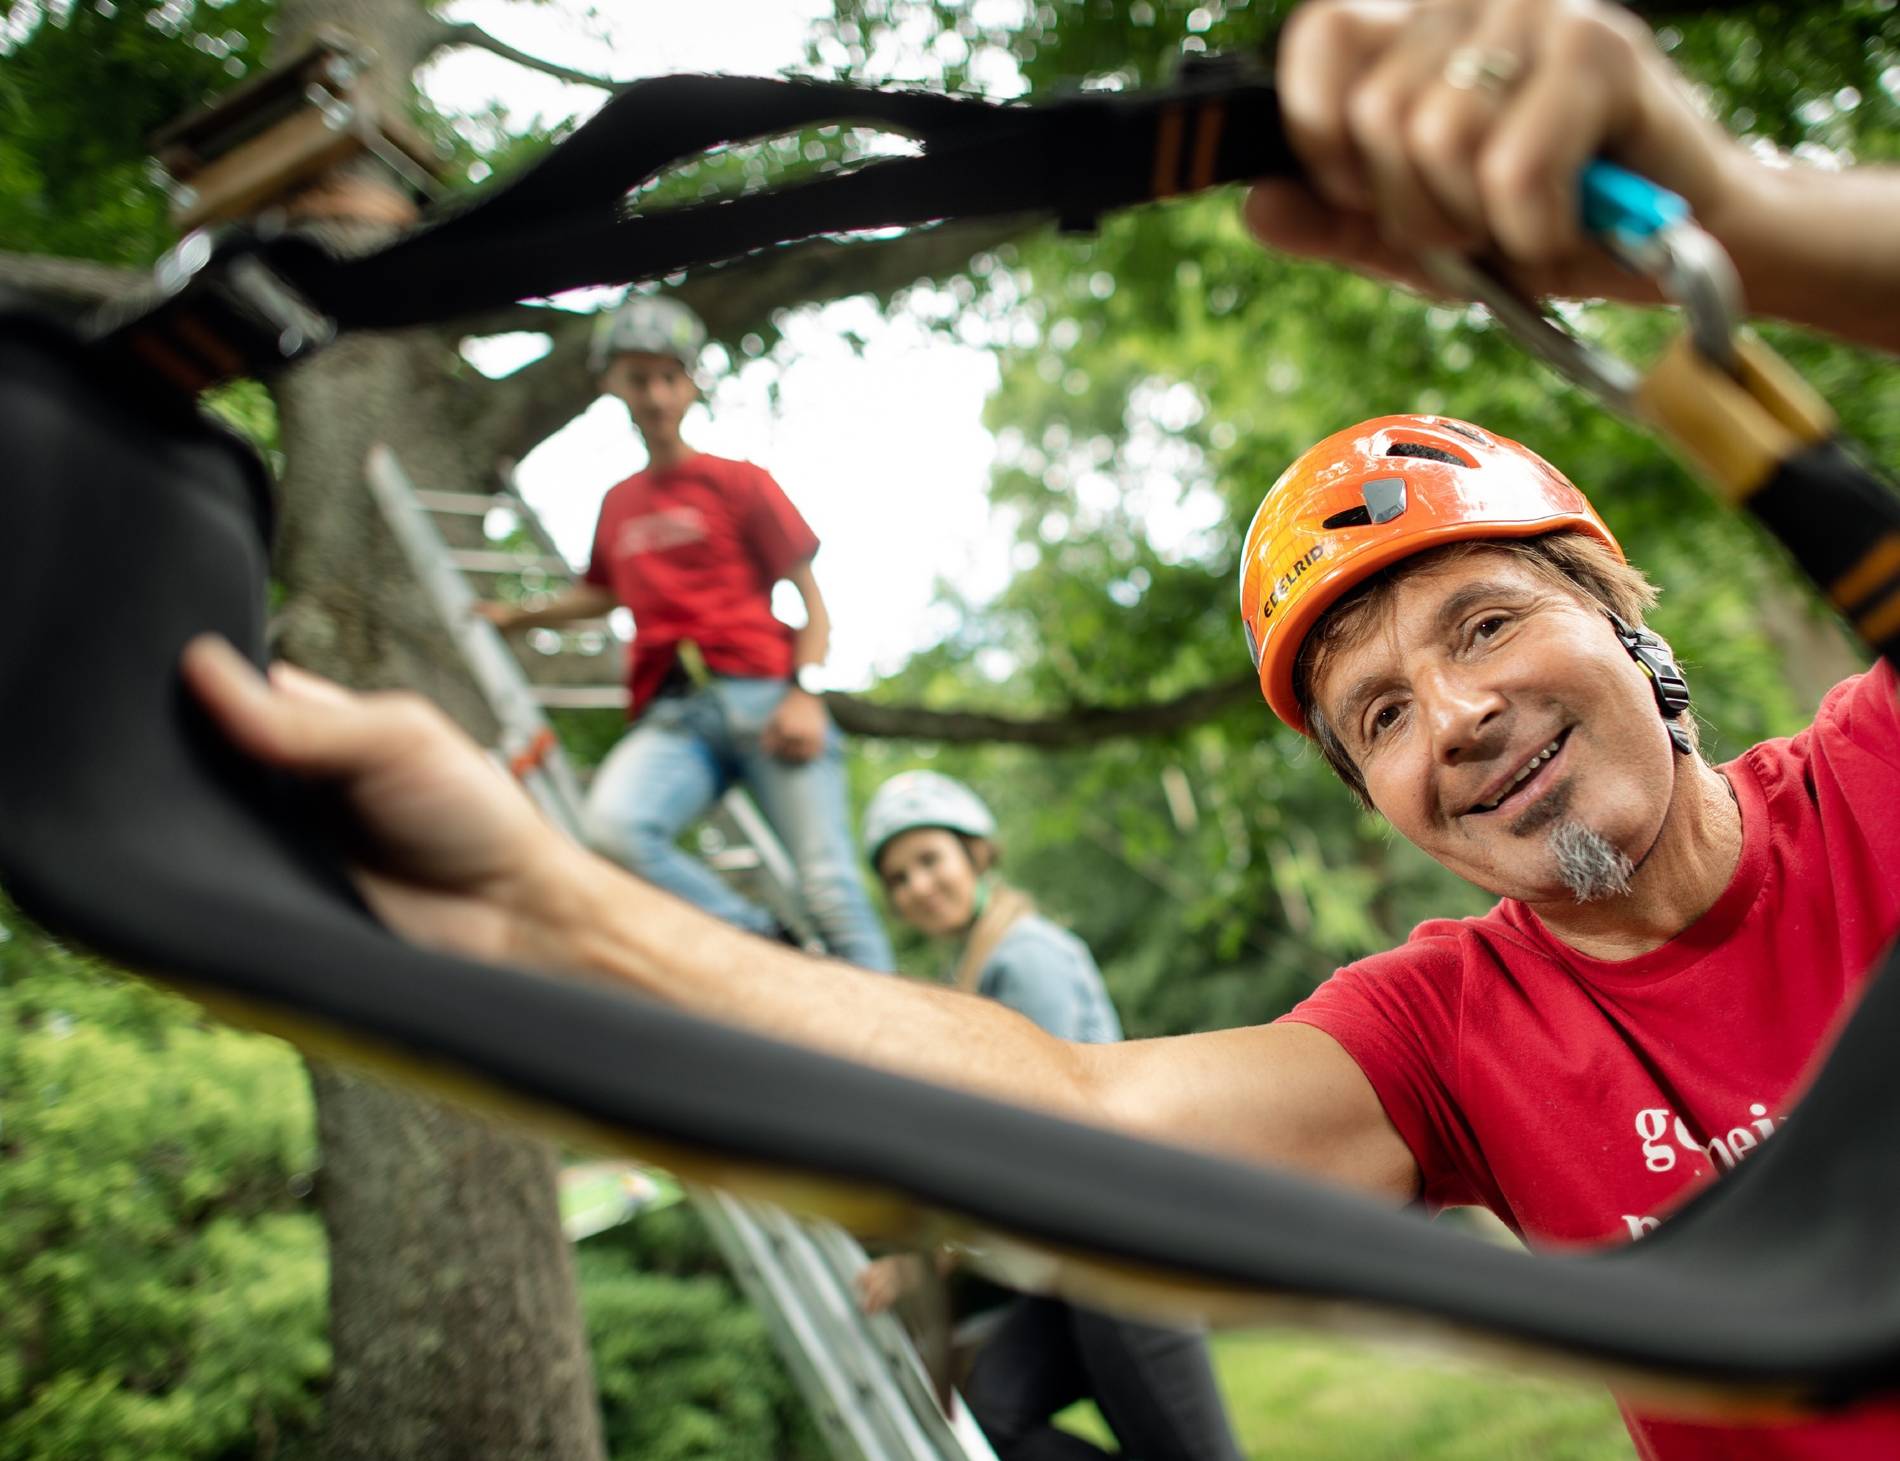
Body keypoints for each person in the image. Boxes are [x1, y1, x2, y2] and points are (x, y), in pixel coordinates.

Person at [179, 2, 1900, 1455]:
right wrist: (542, 903)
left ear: (1625, 607)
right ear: (1373, 794)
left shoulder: (1880, 773)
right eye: (1375, 711)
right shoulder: (1452, 1035)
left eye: (1490, 619)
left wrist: (1743, 222)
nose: (1457, 714)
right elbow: (1073, 1110)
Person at [474, 295, 892, 971]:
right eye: (640, 378)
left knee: (830, 890)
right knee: (611, 830)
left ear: (693, 384)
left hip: (764, 697)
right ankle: (762, 946)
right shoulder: (619, 503)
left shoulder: (740, 482)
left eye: (671, 377)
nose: (658, 394)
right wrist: (518, 616)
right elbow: (603, 592)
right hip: (675, 717)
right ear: (613, 384)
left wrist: (806, 693)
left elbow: (814, 604)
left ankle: (904, 1060)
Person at [854, 771, 1242, 1461]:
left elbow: (1039, 1133)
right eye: (898, 876)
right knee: (995, 1412)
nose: (916, 885)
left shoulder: (1022, 958)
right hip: (1068, 1259)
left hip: (1115, 1242)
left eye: (928, 859)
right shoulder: (975, 969)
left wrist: (930, 1259)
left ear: (975, 854)